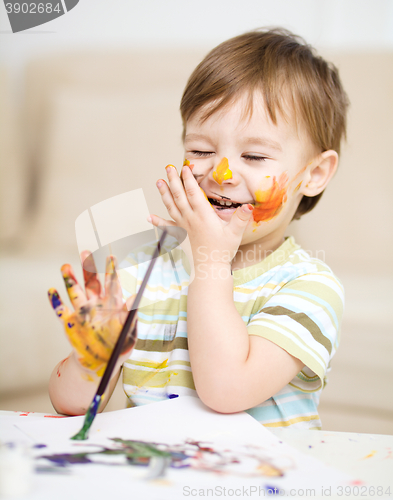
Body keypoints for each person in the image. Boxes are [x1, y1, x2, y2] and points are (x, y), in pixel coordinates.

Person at [48, 28, 349, 429]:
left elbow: (227, 391)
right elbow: (71, 408)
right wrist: (94, 360)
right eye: (201, 151)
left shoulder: (311, 288)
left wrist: (209, 262)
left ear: (314, 174)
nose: (221, 173)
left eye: (254, 155)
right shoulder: (143, 271)